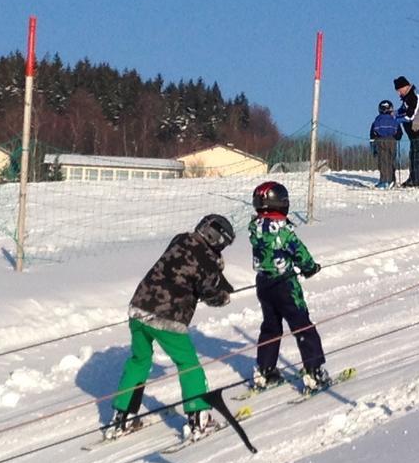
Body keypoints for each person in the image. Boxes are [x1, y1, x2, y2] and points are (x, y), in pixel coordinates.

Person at [107, 214, 235, 441]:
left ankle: (121, 417)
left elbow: (186, 264)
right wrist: (223, 297)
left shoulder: (181, 239)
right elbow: (209, 291)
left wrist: (218, 275)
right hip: (167, 317)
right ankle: (198, 419)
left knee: (139, 360)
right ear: (217, 240)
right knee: (188, 364)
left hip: (138, 309)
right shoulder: (207, 259)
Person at [248, 181, 331, 393]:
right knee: (302, 325)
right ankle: (314, 371)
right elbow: (299, 251)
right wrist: (310, 267)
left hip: (264, 283)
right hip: (285, 284)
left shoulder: (255, 229)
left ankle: (265, 370)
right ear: (281, 204)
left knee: (271, 326)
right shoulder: (282, 230)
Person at [393, 75, 419, 187]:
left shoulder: (414, 96)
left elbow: (411, 115)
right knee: (414, 153)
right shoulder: (407, 98)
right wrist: (393, 113)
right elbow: (403, 110)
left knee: (417, 154)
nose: (398, 93)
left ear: (405, 87)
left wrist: (397, 120)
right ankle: (415, 177)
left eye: (399, 90)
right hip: (414, 132)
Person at [369, 99, 403, 188]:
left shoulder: (377, 120)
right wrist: (397, 138)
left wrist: (373, 145)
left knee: (383, 161)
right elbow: (399, 133)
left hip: (380, 141)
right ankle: (392, 179)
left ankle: (384, 181)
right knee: (391, 160)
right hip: (392, 141)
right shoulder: (394, 120)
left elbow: (372, 133)